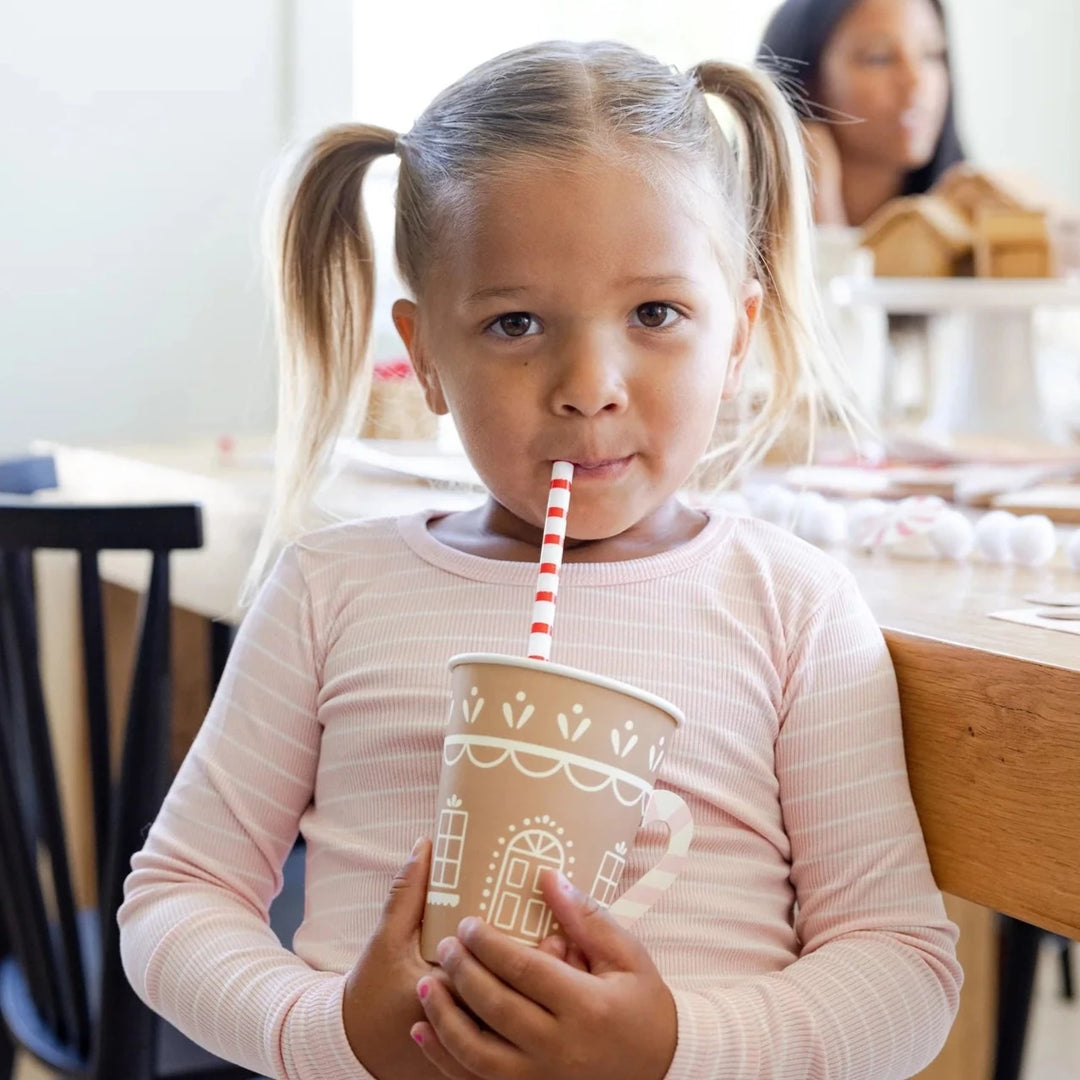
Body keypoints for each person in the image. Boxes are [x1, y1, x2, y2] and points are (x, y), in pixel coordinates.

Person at [118, 40, 961, 1080]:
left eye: (656, 314)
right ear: (426, 355)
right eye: (515, 322)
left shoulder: (795, 608)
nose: (588, 384)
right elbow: (174, 899)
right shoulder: (330, 593)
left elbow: (905, 971)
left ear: (737, 333)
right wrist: (326, 1030)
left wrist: (675, 1048)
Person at [759, 0, 966, 226]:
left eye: (931, 54)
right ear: (806, 82)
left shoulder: (982, 234)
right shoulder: (729, 238)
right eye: (879, 57)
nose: (916, 81)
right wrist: (818, 215)